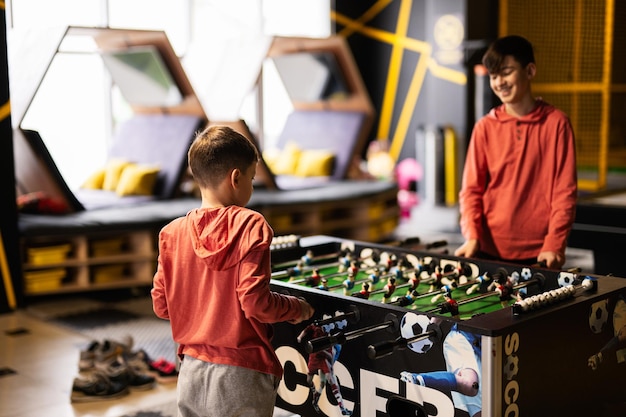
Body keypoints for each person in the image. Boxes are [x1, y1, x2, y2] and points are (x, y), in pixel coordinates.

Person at [151, 125, 315, 417]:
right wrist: (296, 308)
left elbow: (162, 306)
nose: (252, 186)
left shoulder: (171, 233)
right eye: (252, 178)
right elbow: (255, 303)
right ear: (236, 178)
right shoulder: (251, 225)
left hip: (191, 369)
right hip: (243, 372)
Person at [455, 35, 578, 270]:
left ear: (530, 71)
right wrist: (472, 235)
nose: (499, 82)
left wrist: (554, 243)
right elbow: (471, 191)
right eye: (493, 75)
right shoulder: (485, 127)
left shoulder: (557, 123)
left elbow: (565, 193)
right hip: (485, 251)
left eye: (507, 72)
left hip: (541, 254)